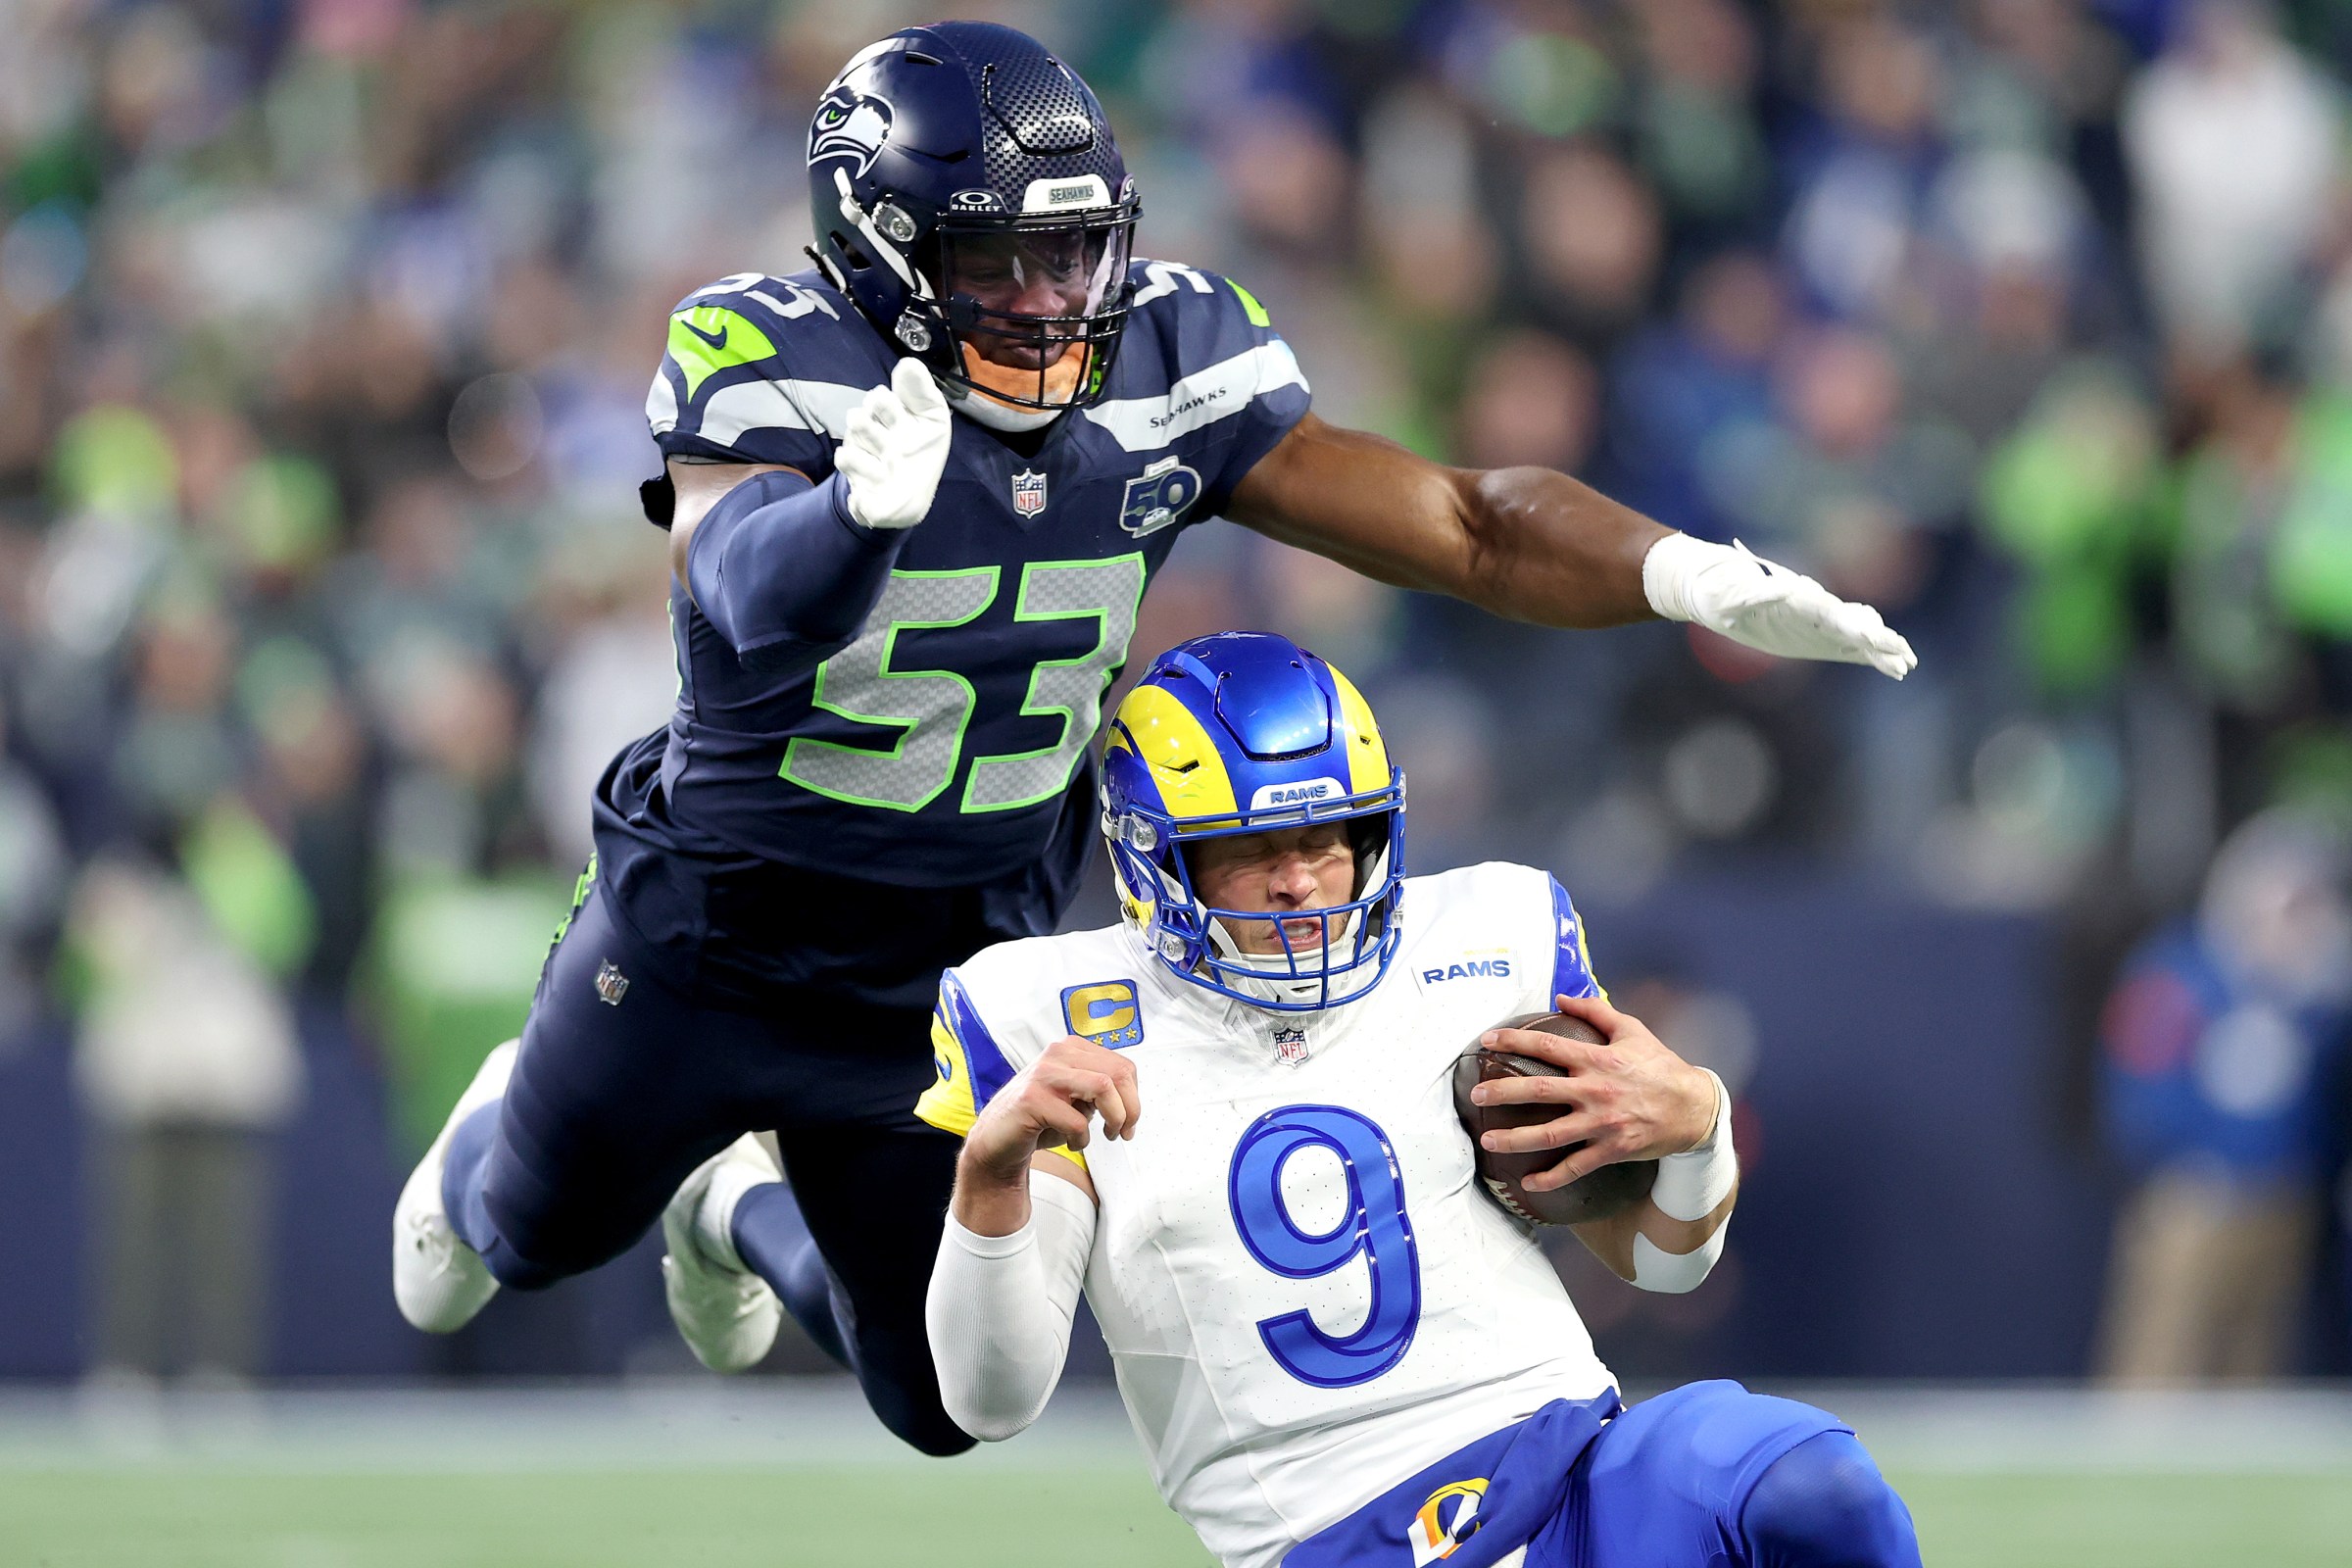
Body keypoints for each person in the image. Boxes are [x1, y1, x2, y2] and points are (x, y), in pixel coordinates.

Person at [391, 22, 1917, 1457]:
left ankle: (729, 1206)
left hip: (957, 949)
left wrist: (1681, 573)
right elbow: (735, 588)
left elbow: (1465, 526)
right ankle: (530, 1136)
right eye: (996, 260)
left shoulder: (1168, 358)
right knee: (520, 1238)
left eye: (1072, 254)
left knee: (946, 1398)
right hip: (716, 925)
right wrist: (851, 515)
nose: (1046, 301)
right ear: (879, 249)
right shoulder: (769, 351)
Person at [920, 632, 1921, 1567]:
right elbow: (988, 1399)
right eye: (1250, 850)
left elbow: (1665, 1263)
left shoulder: (1489, 935)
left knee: (1815, 1482)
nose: (1301, 883)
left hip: (1576, 1469)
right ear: (1152, 855)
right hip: (1342, 1537)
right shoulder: (1044, 1014)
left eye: (1326, 836)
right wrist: (991, 1170)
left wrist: (1698, 1127)